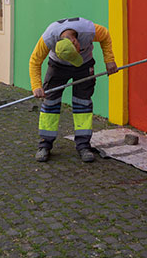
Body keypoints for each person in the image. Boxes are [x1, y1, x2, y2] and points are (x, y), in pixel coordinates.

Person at [29, 17, 118, 163]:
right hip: (57, 67)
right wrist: (36, 86)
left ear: (75, 41)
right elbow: (35, 61)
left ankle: (83, 146)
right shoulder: (48, 38)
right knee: (50, 103)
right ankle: (44, 144)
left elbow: (106, 36)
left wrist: (109, 60)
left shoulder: (88, 30)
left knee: (83, 103)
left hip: (84, 65)